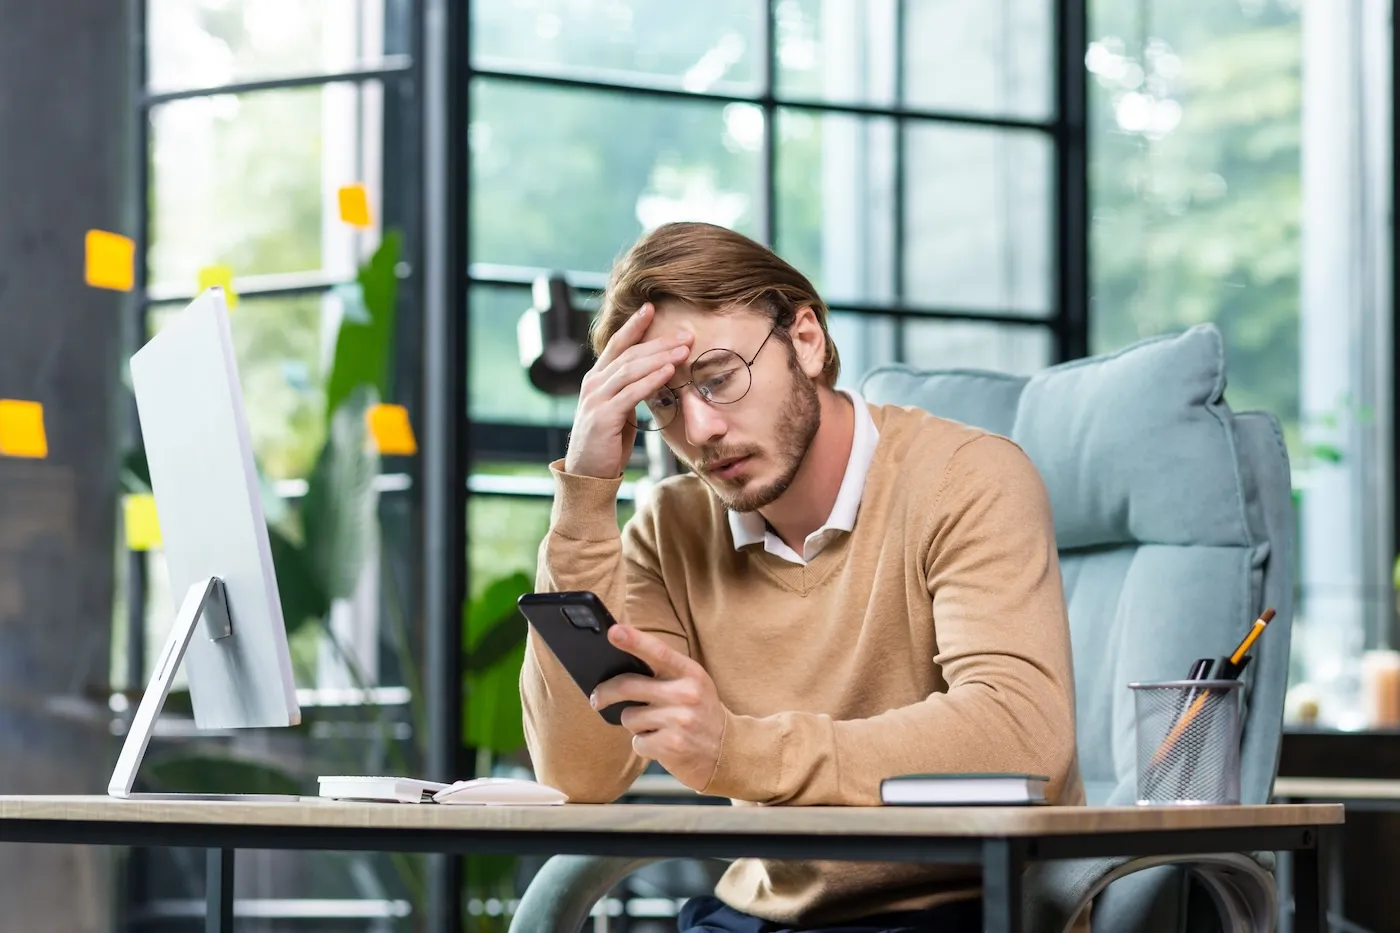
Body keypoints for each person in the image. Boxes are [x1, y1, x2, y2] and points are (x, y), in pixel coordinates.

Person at [520, 221, 1084, 933]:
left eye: (719, 378)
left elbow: (1019, 733)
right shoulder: (671, 526)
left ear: (807, 340)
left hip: (960, 910)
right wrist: (586, 493)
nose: (699, 429)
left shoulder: (967, 479)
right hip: (752, 916)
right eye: (664, 402)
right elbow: (583, 774)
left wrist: (739, 749)